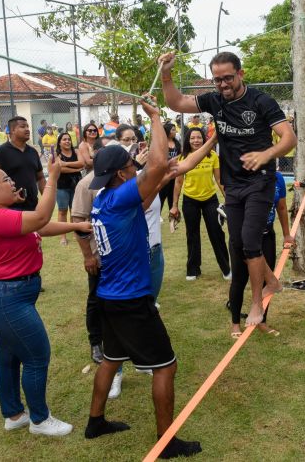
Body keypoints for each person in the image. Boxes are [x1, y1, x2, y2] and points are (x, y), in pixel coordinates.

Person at [84, 94, 202, 459]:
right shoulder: (121, 197)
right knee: (167, 366)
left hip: (110, 297)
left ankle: (96, 421)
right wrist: (154, 117)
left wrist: (211, 141)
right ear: (122, 172)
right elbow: (157, 162)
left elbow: (165, 168)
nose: (136, 166)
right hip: (131, 299)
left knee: (111, 359)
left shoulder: (104, 197)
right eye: (129, 164)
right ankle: (166, 442)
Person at [159, 51, 297, 326]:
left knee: (249, 241)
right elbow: (176, 102)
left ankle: (257, 302)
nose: (223, 85)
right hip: (233, 185)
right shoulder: (214, 101)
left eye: (228, 78)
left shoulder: (261, 101)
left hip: (260, 181)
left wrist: (265, 154)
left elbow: (289, 138)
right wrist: (166, 73)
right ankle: (271, 279)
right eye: (217, 80)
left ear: (241, 74)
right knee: (236, 243)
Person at [0, 161, 90, 436]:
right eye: (5, 180)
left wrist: (77, 225)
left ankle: (14, 415)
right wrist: (52, 177)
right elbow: (40, 218)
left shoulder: (1, 214)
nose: (12, 182)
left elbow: (40, 228)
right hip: (6, 299)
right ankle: (39, 419)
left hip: (4, 298)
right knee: (37, 355)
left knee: (9, 357)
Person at [228, 169, 293, 338]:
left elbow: (282, 207)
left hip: (266, 237)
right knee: (239, 279)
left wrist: (287, 234)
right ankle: (235, 323)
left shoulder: (277, 178)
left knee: (266, 281)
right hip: (243, 239)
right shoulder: (239, 176)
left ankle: (262, 321)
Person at [170, 127, 230, 281]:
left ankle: (226, 268)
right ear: (187, 141)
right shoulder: (182, 158)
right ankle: (193, 269)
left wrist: (229, 199)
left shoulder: (213, 156)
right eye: (192, 138)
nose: (196, 141)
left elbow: (219, 180)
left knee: (216, 233)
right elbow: (178, 183)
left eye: (199, 138)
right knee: (192, 235)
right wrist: (174, 205)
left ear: (204, 139)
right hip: (190, 200)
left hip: (210, 199)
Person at [0, 117, 44, 211]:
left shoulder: (33, 152)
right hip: (11, 208)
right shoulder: (0, 152)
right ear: (12, 130)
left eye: (27, 126)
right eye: (23, 126)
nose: (27, 129)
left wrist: (46, 198)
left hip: (33, 206)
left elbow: (40, 177)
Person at [55, 131, 84, 246]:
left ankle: (75, 232)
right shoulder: (57, 154)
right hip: (62, 186)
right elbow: (59, 169)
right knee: (62, 211)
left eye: (68, 139)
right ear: (59, 142)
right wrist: (76, 169)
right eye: (64, 139)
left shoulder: (76, 151)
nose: (67, 141)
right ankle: (63, 236)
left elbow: (82, 163)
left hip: (76, 184)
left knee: (75, 210)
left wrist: (65, 164)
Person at [158, 122, 181, 212]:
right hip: (163, 175)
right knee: (161, 197)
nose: (175, 131)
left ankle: (173, 217)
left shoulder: (177, 143)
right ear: (167, 131)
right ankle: (158, 215)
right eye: (173, 130)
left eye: (175, 129)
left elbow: (181, 155)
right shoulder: (162, 143)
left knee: (173, 197)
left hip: (174, 175)